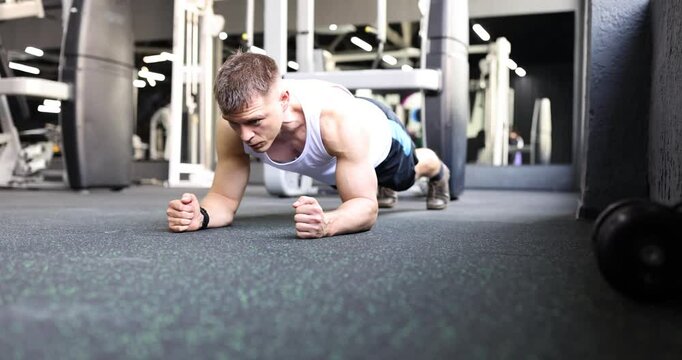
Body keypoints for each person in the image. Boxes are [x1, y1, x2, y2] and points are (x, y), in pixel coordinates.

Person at [166, 52, 450, 238]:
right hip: (344, 160)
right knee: (351, 177)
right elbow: (225, 200)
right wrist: (199, 215)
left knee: (405, 177)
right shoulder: (234, 126)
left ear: (284, 99)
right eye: (234, 123)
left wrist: (327, 223)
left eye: (255, 121)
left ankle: (436, 169)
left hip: (379, 137)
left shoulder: (334, 119)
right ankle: (373, 180)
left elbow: (365, 206)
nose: (244, 136)